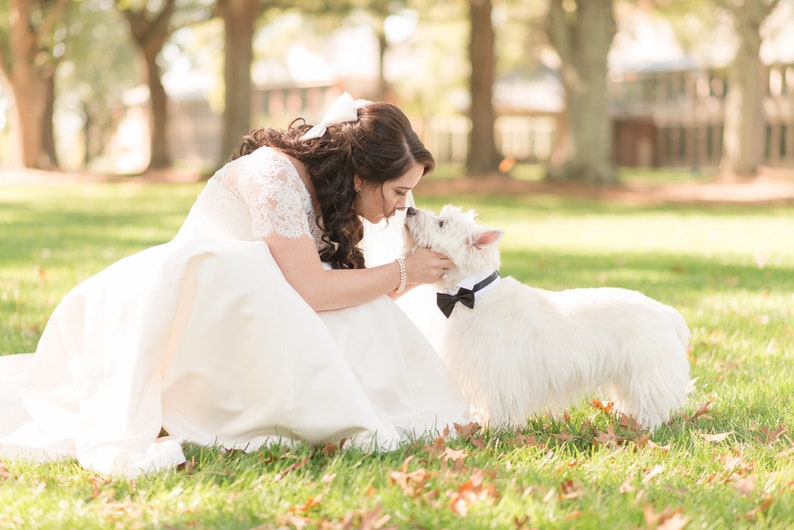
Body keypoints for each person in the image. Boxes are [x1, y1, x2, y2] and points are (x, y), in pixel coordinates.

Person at [0, 92, 469, 476]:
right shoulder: (274, 173)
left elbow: (337, 294)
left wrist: (409, 276)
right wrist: (405, 272)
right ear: (362, 176)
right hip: (192, 309)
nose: (401, 208)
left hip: (248, 312)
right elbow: (312, 292)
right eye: (398, 192)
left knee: (358, 308)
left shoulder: (333, 191)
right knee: (252, 270)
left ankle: (391, 406)